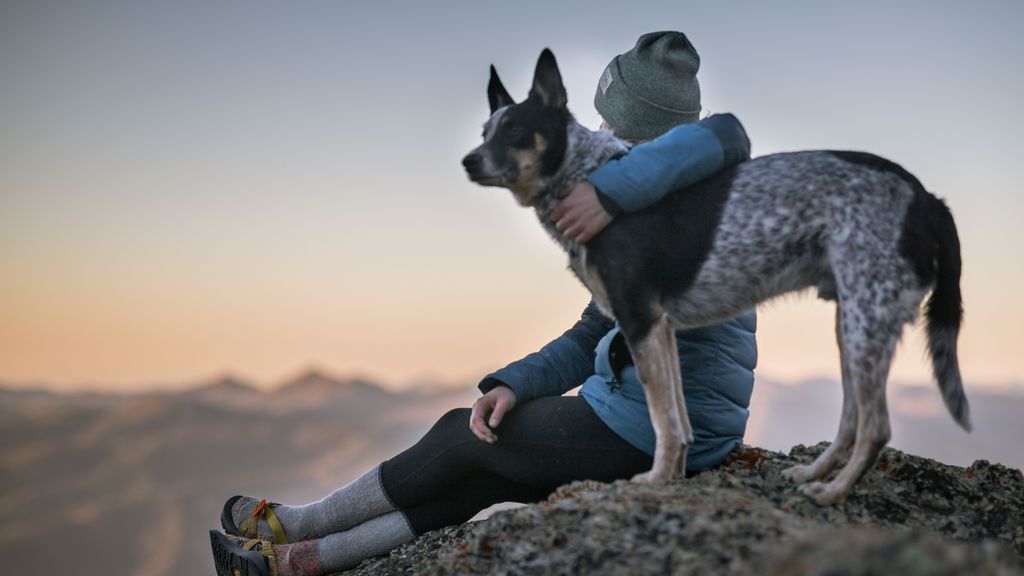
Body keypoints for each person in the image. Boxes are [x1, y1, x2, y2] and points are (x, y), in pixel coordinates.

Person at [210, 31, 757, 576]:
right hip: (660, 418)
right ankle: (296, 564)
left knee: (460, 435)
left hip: (662, 429)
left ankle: (298, 525)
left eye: (609, 122)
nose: (596, 132)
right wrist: (515, 383)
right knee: (480, 473)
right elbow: (596, 328)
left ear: (638, 131)